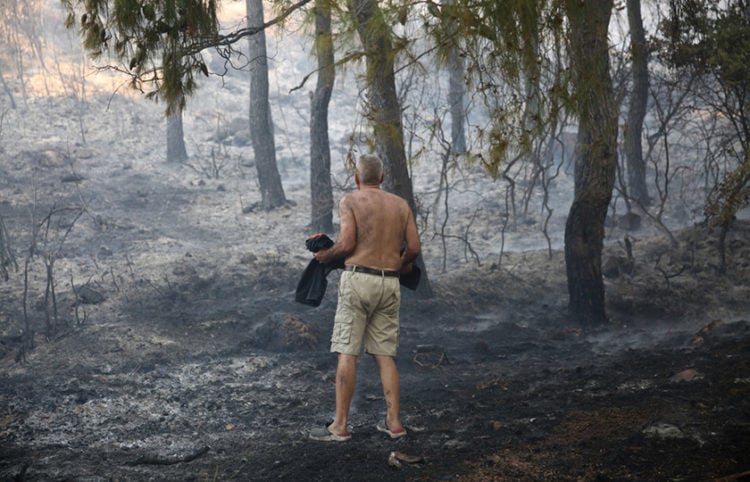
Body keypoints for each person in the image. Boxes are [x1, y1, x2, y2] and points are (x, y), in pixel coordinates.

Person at [308, 154, 421, 442]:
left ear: (357, 178)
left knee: (348, 352)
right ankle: (394, 423)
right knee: (385, 355)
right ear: (382, 178)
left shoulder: (350, 201)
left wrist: (326, 255)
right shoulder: (400, 205)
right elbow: (415, 249)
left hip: (358, 280)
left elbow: (347, 244)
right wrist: (401, 262)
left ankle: (340, 426)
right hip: (389, 283)